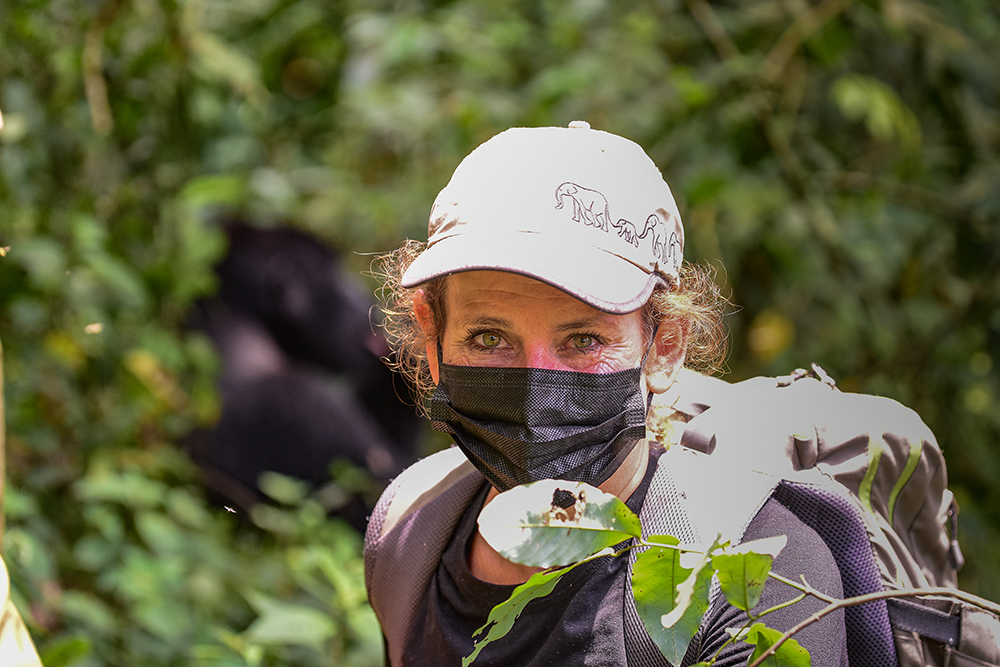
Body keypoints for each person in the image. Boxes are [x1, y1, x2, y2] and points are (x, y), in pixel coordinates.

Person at [364, 122, 854, 666]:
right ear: (432, 339)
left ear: (663, 348)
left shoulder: (755, 576)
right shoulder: (409, 534)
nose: (535, 392)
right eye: (489, 338)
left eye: (583, 340)